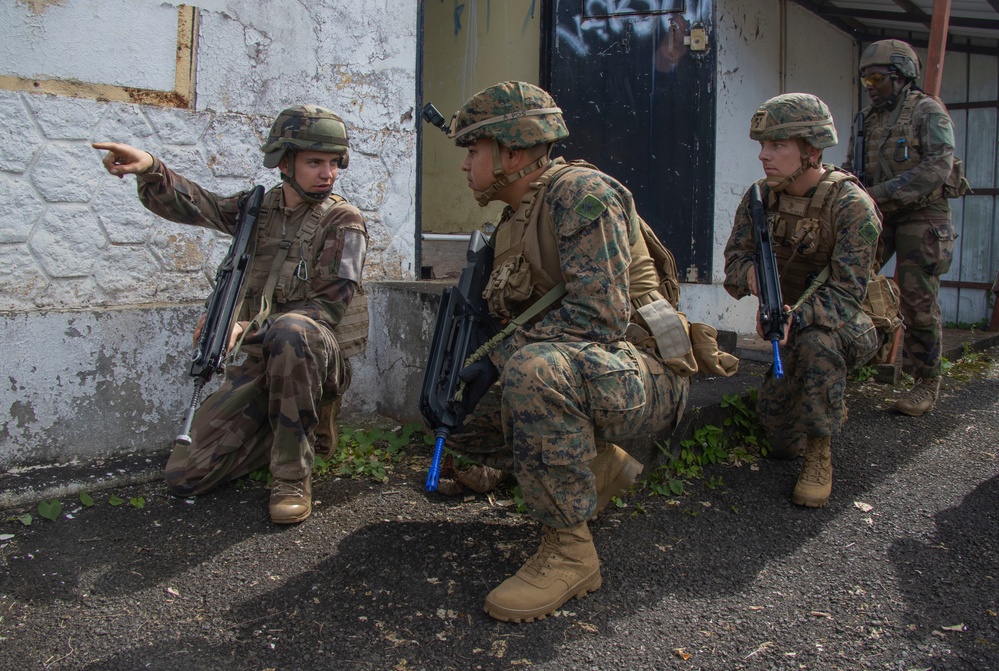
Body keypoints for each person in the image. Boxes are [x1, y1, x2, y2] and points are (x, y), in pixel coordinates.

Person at [440, 81, 695, 623]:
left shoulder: (581, 194)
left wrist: (501, 359)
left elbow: (597, 317)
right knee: (459, 417)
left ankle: (570, 552)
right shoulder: (514, 218)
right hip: (589, 370)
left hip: (644, 367)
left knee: (531, 371)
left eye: (473, 151)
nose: (465, 166)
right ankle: (599, 467)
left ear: (511, 152)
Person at [93, 105, 368, 524]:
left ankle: (292, 477)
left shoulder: (343, 221)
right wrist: (150, 168)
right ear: (284, 162)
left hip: (312, 359)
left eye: (334, 163)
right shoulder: (260, 208)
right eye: (315, 162)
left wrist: (242, 326)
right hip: (261, 361)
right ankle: (289, 428)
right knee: (186, 475)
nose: (327, 173)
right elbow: (201, 206)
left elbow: (326, 309)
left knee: (294, 329)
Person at [724, 93, 881, 508]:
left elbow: (847, 292)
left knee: (815, 346)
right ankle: (816, 409)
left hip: (844, 323)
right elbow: (734, 262)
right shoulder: (761, 197)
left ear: (811, 151)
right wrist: (752, 276)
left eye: (777, 145)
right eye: (762, 145)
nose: (763, 156)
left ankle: (820, 452)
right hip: (786, 321)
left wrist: (797, 315)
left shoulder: (851, 206)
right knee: (778, 443)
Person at [844, 39, 962, 417]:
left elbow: (937, 167)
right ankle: (853, 358)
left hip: (923, 214)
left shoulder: (927, 111)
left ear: (902, 76)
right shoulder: (866, 119)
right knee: (850, 284)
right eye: (865, 80)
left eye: (877, 77)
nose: (871, 86)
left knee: (917, 299)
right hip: (878, 213)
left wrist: (878, 193)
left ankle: (926, 382)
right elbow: (852, 170)